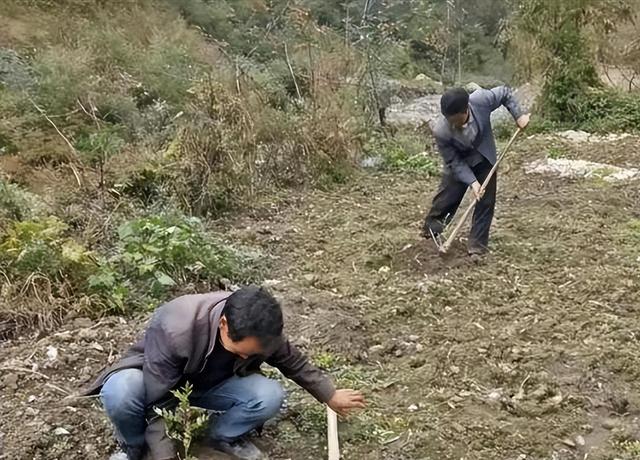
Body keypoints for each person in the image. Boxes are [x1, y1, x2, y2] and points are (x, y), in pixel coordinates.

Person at [84, 286, 365, 460]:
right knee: (120, 390)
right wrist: (166, 455)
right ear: (223, 324)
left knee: (269, 394)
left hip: (212, 384)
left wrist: (329, 394)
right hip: (158, 381)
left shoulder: (263, 328)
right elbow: (160, 399)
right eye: (241, 351)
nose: (246, 357)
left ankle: (221, 437)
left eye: (252, 354)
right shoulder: (176, 327)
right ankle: (133, 446)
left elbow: (292, 361)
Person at [422, 86, 530, 255]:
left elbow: (505, 93)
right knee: (447, 197)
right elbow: (454, 162)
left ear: (465, 111)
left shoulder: (481, 100)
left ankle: (477, 247)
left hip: (483, 156)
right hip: (459, 161)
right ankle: (431, 233)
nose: (451, 124)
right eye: (448, 120)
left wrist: (519, 116)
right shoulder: (441, 130)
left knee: (485, 201)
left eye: (454, 121)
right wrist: (473, 183)